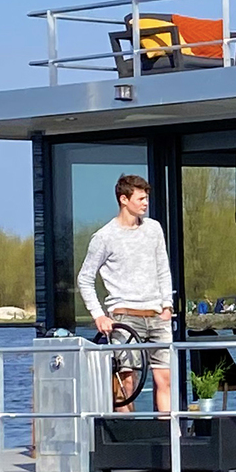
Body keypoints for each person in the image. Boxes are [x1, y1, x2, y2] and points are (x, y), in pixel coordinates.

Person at [78, 174, 173, 413]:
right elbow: (85, 277)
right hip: (124, 317)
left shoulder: (154, 229)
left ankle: (169, 437)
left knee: (165, 379)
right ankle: (127, 437)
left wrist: (167, 306)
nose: (145, 203)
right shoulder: (104, 237)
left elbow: (163, 268)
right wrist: (99, 315)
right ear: (124, 199)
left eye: (146, 198)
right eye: (140, 198)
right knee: (126, 381)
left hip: (156, 316)